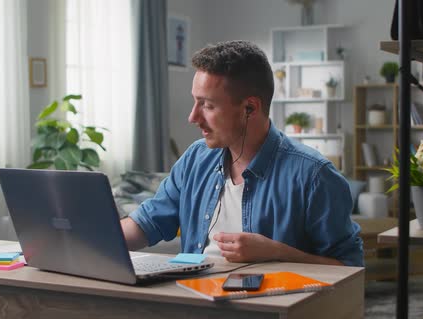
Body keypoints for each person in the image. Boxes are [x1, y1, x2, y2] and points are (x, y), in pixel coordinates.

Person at [121, 40, 363, 266]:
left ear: (250, 108)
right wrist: (93, 239)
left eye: (207, 105)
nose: (193, 117)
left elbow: (350, 268)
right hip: (193, 300)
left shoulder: (314, 176)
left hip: (266, 308)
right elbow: (146, 224)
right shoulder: (196, 158)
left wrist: (277, 253)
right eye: (195, 102)